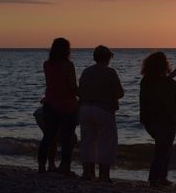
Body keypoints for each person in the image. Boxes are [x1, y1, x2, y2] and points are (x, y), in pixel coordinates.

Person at [139, 52, 176, 187]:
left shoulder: (145, 81)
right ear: (163, 65)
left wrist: (173, 74)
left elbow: (161, 84)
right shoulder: (166, 82)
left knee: (163, 148)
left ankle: (160, 178)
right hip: (167, 120)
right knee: (163, 150)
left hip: (149, 121)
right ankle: (155, 179)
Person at [78, 45, 124, 182]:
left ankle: (87, 172)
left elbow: (80, 90)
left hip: (85, 108)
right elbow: (119, 92)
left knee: (87, 141)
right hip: (103, 109)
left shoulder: (86, 71)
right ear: (108, 58)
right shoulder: (110, 72)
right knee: (106, 142)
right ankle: (104, 175)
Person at [38, 38, 79, 175]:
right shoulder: (68, 65)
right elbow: (73, 87)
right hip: (66, 104)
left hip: (49, 103)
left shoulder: (47, 64)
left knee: (48, 136)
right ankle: (65, 167)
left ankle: (42, 165)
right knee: (67, 138)